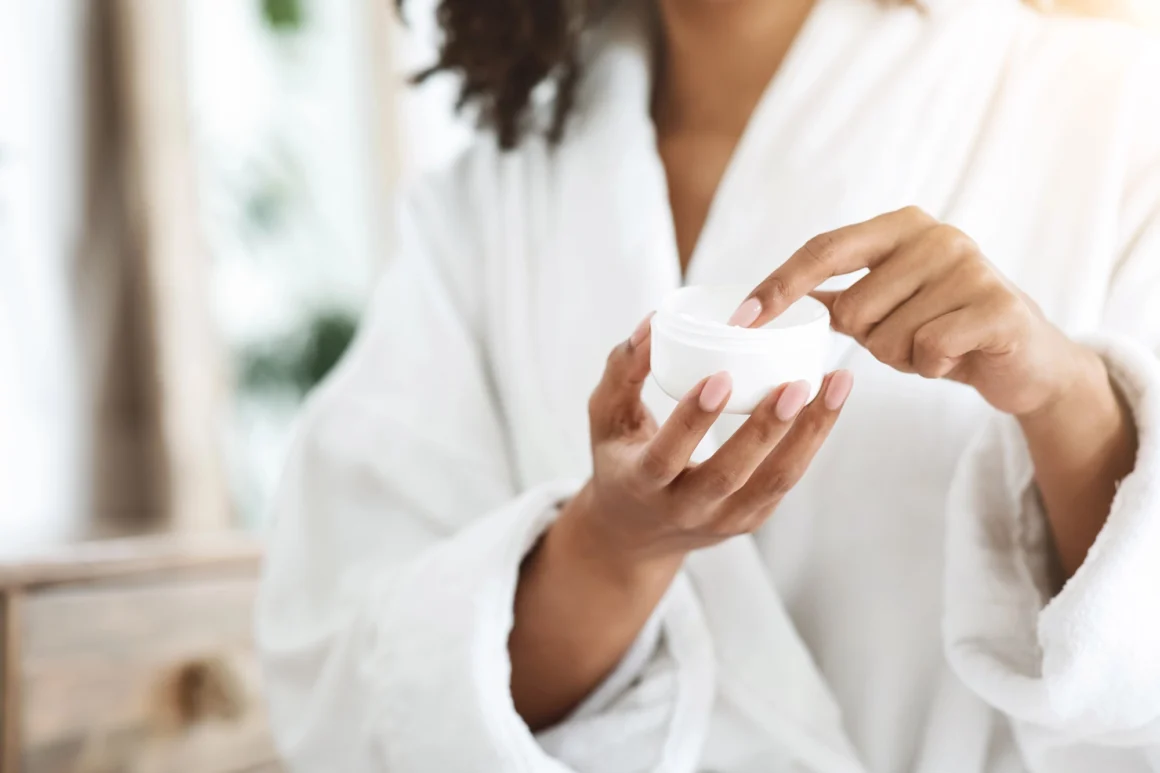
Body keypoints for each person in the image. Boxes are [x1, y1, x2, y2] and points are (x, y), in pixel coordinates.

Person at [255, 0, 1160, 769]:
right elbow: (354, 684)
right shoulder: (486, 208)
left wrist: (1067, 397)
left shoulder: (1112, 107)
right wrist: (612, 549)